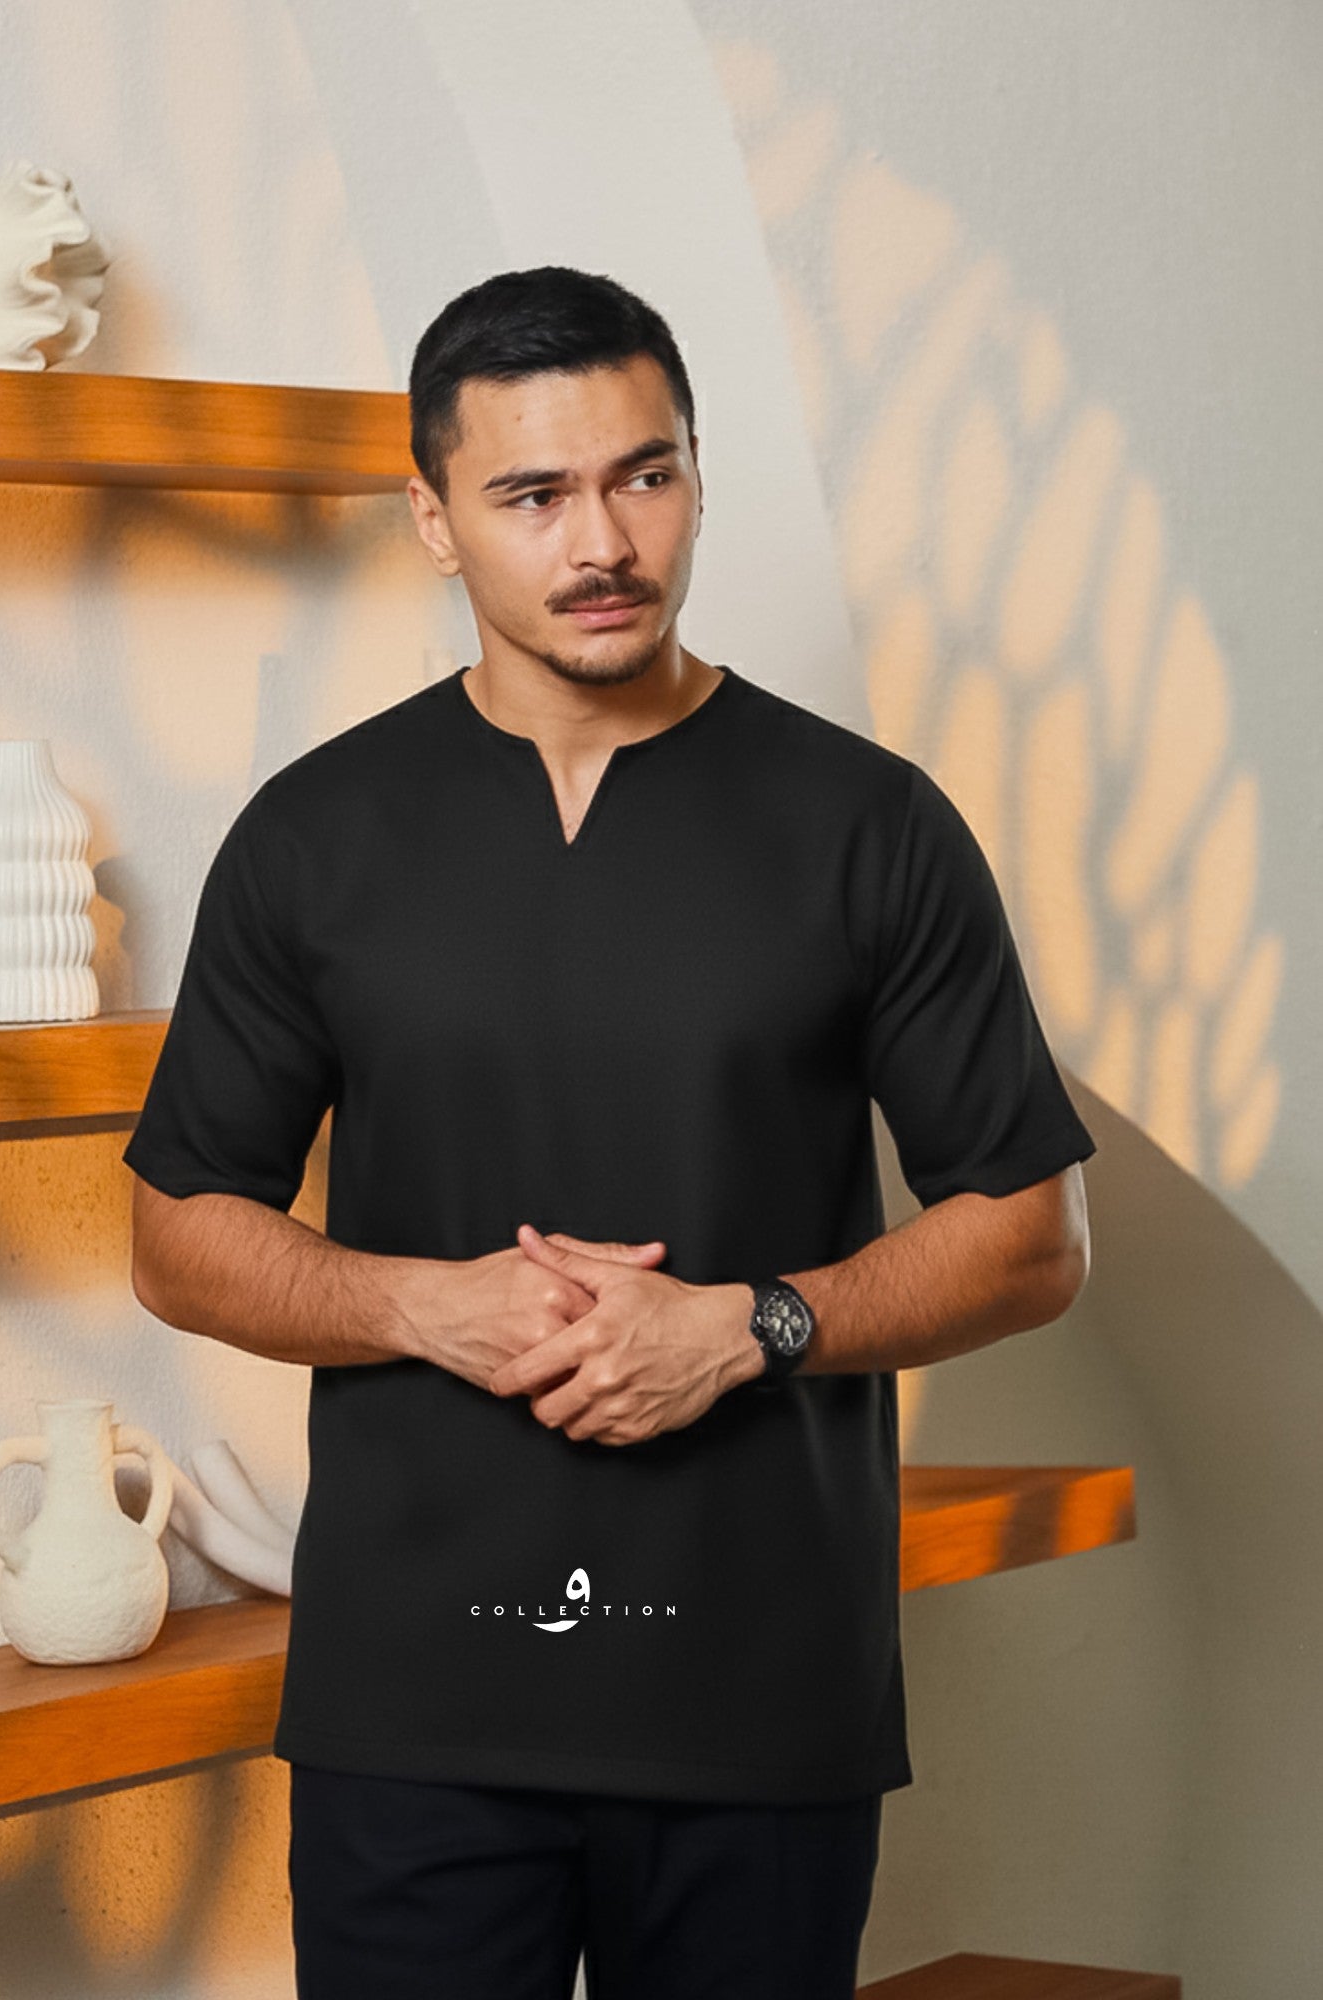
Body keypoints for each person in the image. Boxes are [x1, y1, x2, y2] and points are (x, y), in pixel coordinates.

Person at [123, 265, 1096, 1999]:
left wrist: (748, 1327)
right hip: (414, 1716)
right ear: (433, 520)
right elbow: (179, 1230)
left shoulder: (869, 827)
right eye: (532, 494)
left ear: (698, 477)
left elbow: (1034, 1233)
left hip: (760, 1703)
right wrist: (428, 1305)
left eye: (645, 475)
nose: (603, 542)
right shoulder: (314, 837)